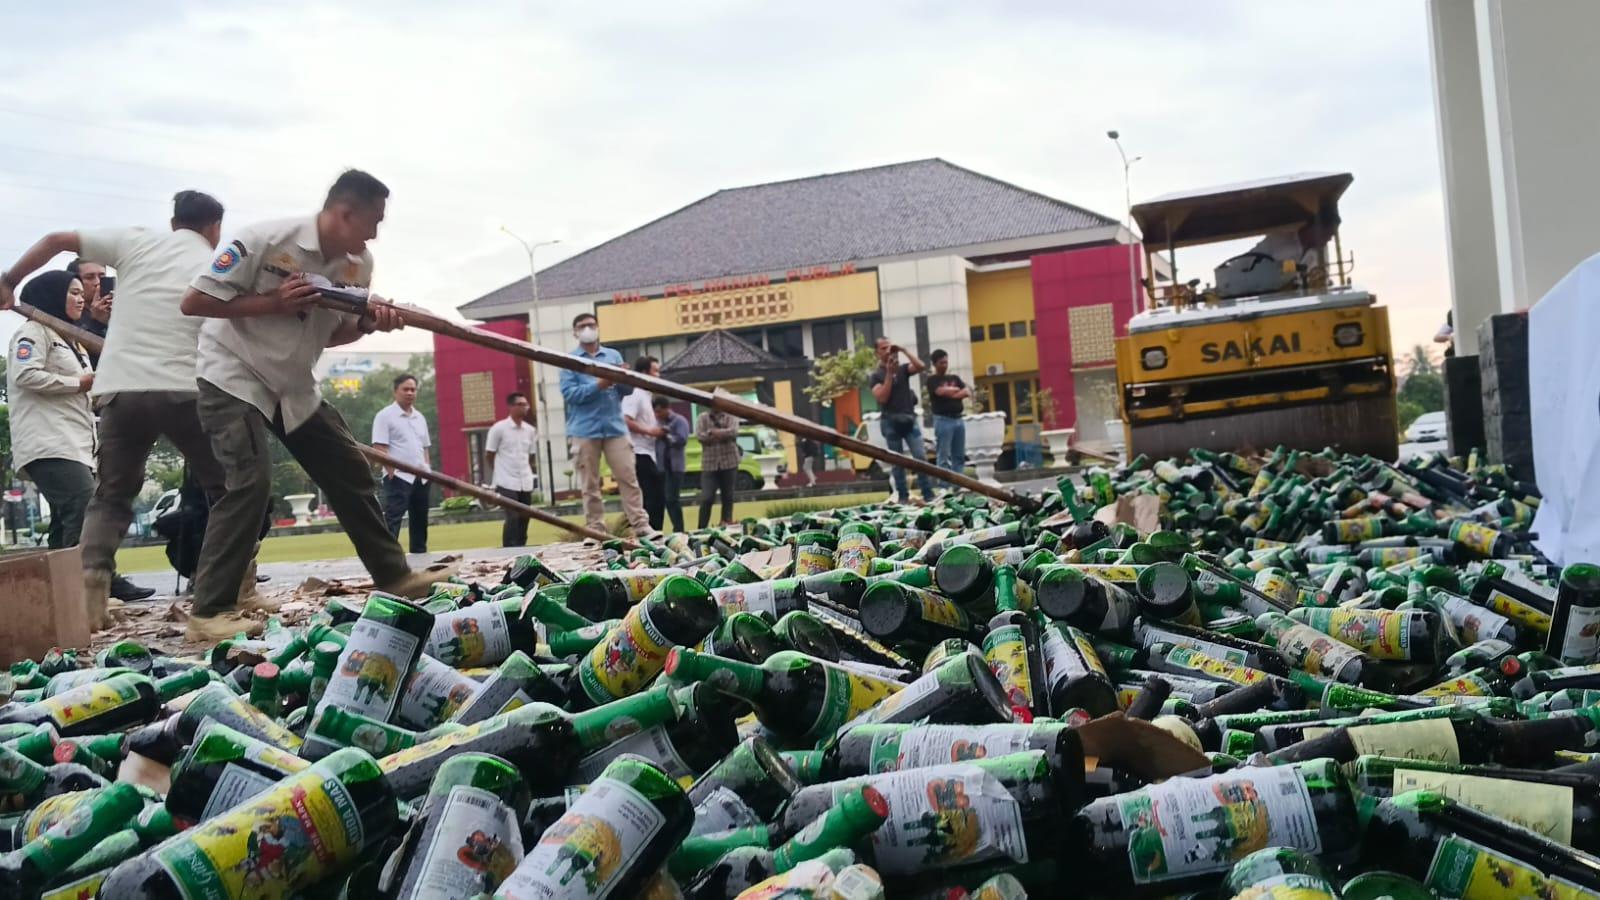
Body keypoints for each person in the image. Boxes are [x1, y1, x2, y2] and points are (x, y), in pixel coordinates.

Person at [178, 169, 439, 641]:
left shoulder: (358, 267)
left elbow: (332, 332)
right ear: (343, 213)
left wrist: (368, 325)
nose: (375, 234)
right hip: (233, 373)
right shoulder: (263, 239)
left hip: (293, 383)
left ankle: (394, 574)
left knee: (348, 468)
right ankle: (209, 611)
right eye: (372, 221)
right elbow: (195, 302)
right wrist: (271, 302)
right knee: (249, 484)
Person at [0, 193, 231, 614]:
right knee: (229, 492)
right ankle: (227, 591)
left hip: (121, 391)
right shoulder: (219, 262)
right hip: (185, 387)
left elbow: (56, 239)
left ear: (174, 220)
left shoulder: (137, 241)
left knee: (110, 497)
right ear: (214, 227)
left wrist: (8, 280)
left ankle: (91, 593)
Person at [5, 272, 95, 550]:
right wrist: (77, 383)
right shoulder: (32, 332)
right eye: (74, 292)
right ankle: (91, 582)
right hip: (49, 442)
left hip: (77, 442)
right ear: (52, 295)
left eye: (82, 293)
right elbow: (25, 374)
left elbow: (86, 392)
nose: (82, 299)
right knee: (84, 504)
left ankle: (60, 589)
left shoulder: (74, 341)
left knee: (64, 520)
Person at [560, 312, 653, 540]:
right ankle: (596, 529)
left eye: (591, 325)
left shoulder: (612, 355)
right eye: (582, 326)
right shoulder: (569, 361)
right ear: (575, 332)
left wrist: (625, 377)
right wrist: (599, 385)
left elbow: (627, 391)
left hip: (615, 427)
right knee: (589, 484)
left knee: (628, 476)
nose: (588, 329)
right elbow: (570, 394)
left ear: (598, 327)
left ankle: (640, 525)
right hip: (584, 430)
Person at [372, 373, 432, 553]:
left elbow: (425, 447)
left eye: (413, 389)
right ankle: (388, 556)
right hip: (398, 476)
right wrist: (391, 472)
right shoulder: (385, 416)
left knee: (420, 518)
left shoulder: (419, 417)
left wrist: (427, 469)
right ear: (395, 392)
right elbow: (379, 446)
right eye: (405, 389)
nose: (410, 393)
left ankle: (419, 553)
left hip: (421, 476)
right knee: (393, 517)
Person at [869, 336, 934, 503]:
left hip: (909, 419)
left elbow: (921, 366)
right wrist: (889, 374)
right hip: (890, 421)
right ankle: (903, 497)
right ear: (877, 353)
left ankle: (928, 494)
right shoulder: (876, 375)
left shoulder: (903, 369)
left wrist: (903, 350)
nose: (887, 351)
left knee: (920, 457)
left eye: (889, 347)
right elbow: (882, 398)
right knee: (897, 462)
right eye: (883, 348)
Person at [485, 391, 538, 547]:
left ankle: (521, 549)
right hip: (506, 480)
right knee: (512, 516)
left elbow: (531, 455)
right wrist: (499, 471)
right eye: (520, 404)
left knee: (525, 517)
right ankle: (508, 549)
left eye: (525, 404)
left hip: (525, 480)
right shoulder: (499, 428)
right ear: (510, 407)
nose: (524, 408)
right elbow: (489, 454)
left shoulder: (530, 430)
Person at [622, 356, 666, 531]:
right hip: (638, 452)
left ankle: (656, 532)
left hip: (649, 452)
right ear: (644, 373)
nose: (658, 375)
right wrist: (650, 431)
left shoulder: (647, 396)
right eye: (655, 371)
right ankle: (648, 534)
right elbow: (626, 420)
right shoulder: (635, 394)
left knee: (657, 498)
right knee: (650, 498)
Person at [925, 348, 971, 475]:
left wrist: (951, 392)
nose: (944, 365)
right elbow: (940, 391)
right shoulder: (932, 380)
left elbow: (967, 391)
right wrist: (956, 391)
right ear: (935, 364)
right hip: (943, 420)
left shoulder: (954, 377)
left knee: (959, 455)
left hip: (958, 418)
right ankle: (944, 486)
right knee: (943, 454)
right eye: (941, 363)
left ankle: (959, 483)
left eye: (946, 362)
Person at [697, 407, 741, 529]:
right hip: (709, 464)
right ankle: (701, 528)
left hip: (730, 462)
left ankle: (726, 525)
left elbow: (734, 432)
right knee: (706, 497)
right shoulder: (702, 418)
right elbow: (700, 436)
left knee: (728, 497)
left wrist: (713, 432)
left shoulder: (730, 415)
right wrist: (723, 434)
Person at [653, 395, 688, 532]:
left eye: (659, 411)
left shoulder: (679, 421)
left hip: (676, 466)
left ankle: (679, 529)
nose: (657, 414)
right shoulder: (657, 423)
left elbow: (682, 440)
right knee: (665, 499)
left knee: (672, 498)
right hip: (662, 466)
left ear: (667, 408)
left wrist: (666, 435)